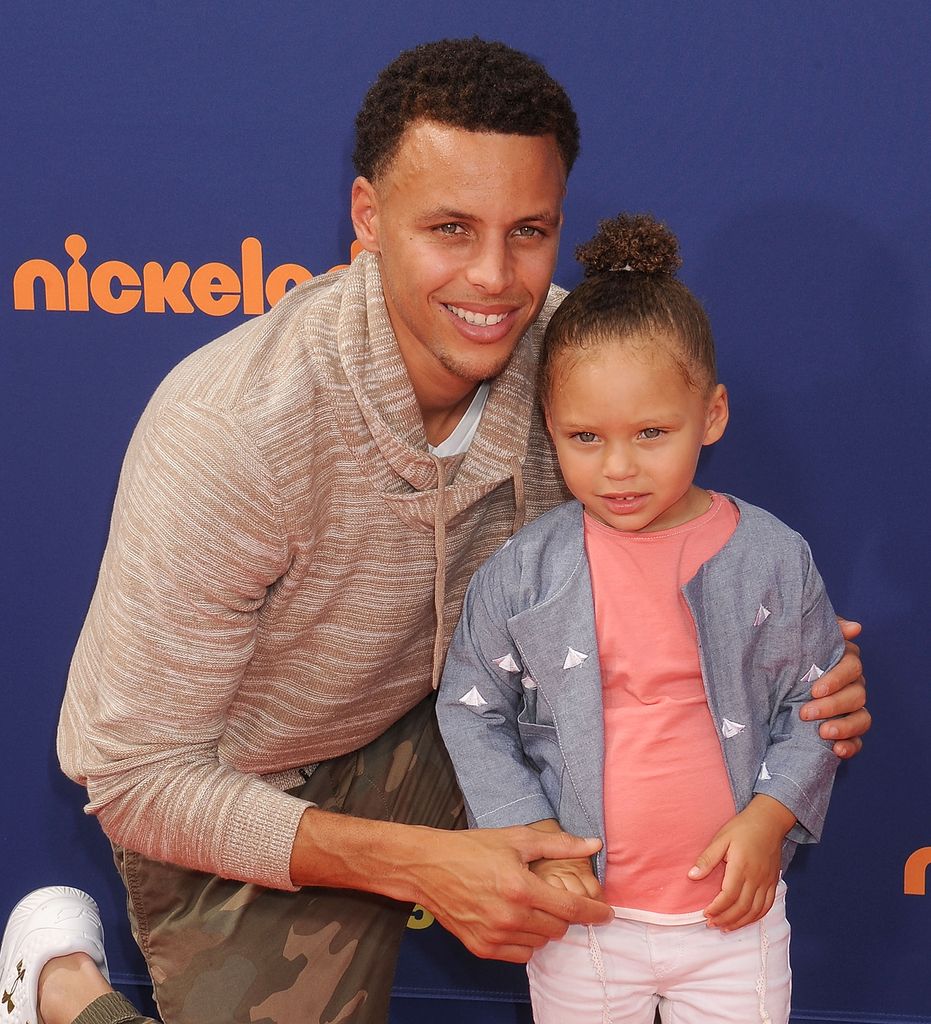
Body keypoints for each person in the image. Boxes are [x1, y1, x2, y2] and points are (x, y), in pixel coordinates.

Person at [18, 37, 865, 1024]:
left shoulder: (582, 363)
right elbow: (137, 778)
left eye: (529, 231)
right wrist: (422, 865)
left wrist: (784, 667)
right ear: (367, 219)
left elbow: (691, 561)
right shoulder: (233, 428)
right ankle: (60, 989)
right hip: (257, 782)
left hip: (479, 707)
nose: (495, 280)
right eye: (451, 228)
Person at [436, 213, 849, 1022]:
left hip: (733, 920)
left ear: (712, 415)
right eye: (583, 437)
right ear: (547, 430)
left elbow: (818, 703)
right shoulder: (523, 572)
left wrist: (769, 820)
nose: (617, 468)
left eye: (651, 433)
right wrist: (530, 838)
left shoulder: (771, 555)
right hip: (581, 919)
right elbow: (469, 707)